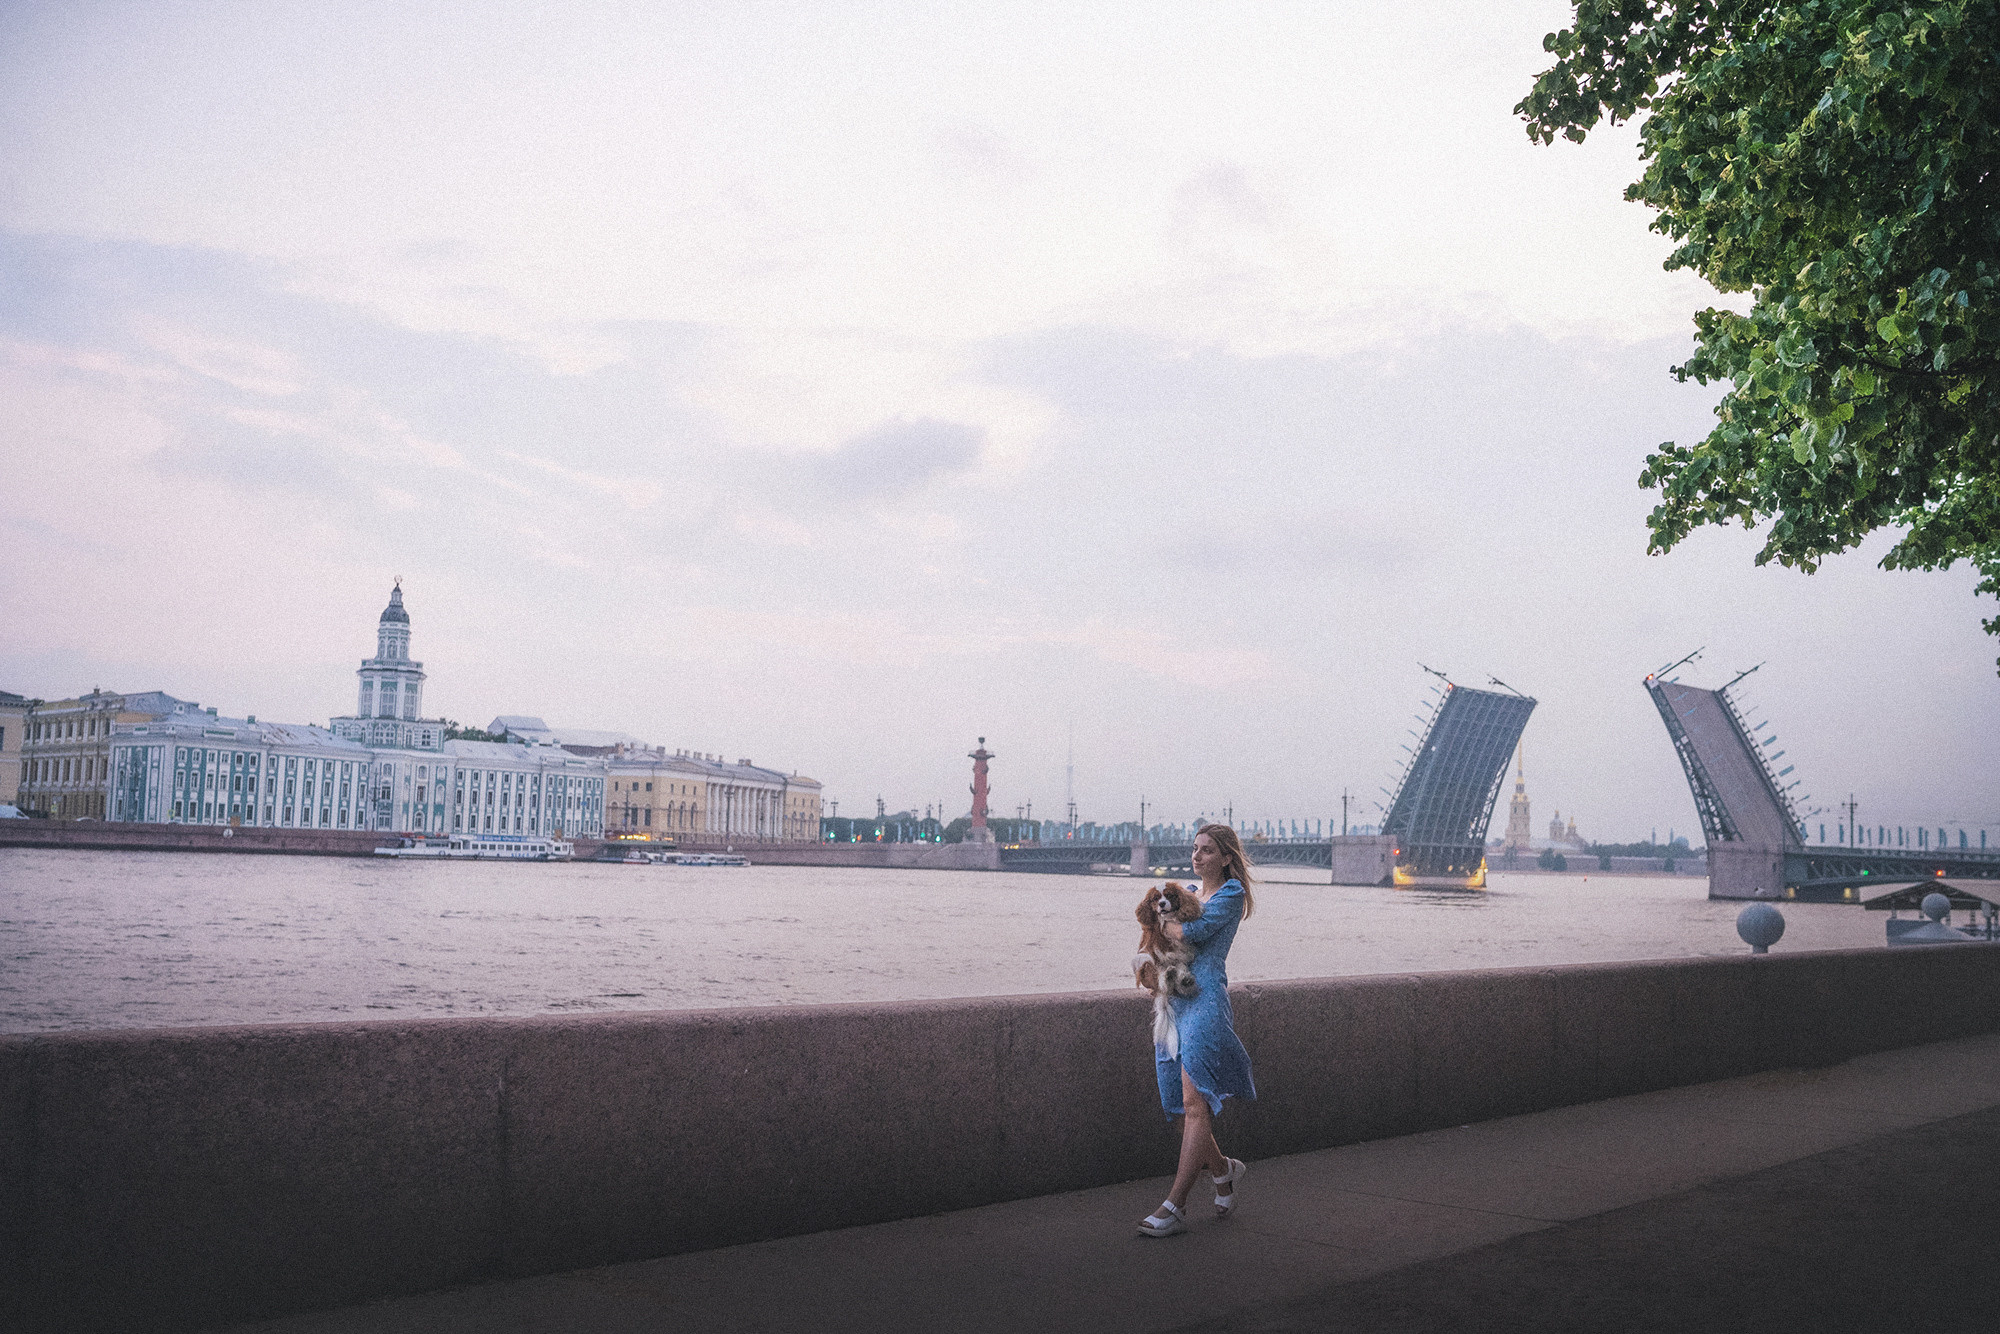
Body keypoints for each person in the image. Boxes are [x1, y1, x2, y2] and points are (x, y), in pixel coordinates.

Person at [1136, 822, 1257, 1237]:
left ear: (1226, 857)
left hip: (1205, 1002)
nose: (1197, 855)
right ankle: (1224, 1171)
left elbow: (1190, 931)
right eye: (1195, 848)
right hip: (1173, 1004)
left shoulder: (1231, 894)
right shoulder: (1187, 893)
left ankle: (1175, 1205)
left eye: (1207, 850)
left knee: (1195, 1101)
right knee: (1181, 1102)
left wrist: (1159, 916)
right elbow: (1157, 930)